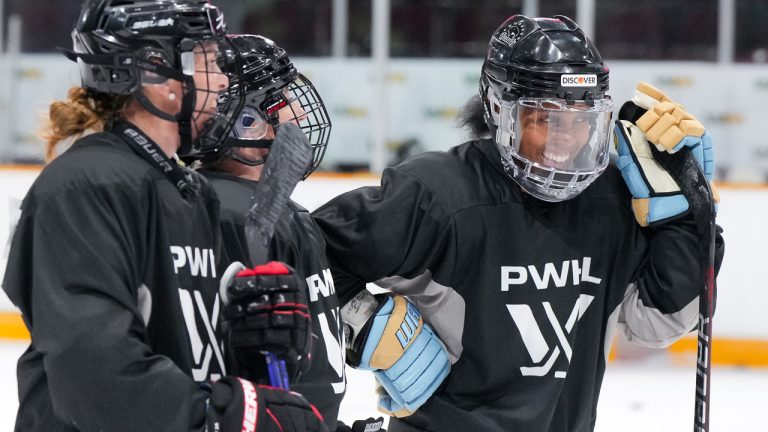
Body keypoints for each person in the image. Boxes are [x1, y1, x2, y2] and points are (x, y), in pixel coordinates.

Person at [312, 14, 724, 432]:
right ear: (499, 109)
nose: (567, 138)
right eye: (546, 119)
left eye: (582, 120)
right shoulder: (441, 196)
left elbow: (655, 323)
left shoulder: (611, 201)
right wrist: (365, 323)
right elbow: (302, 252)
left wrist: (684, 221)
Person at [1, 1, 325, 431]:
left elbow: (180, 351)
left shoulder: (187, 191)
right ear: (157, 74)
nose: (222, 80)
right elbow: (95, 377)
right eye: (208, 61)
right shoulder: (88, 188)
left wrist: (247, 350)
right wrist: (225, 416)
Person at [187, 34, 369, 432]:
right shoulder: (231, 217)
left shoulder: (272, 212)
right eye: (280, 100)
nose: (297, 113)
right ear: (243, 121)